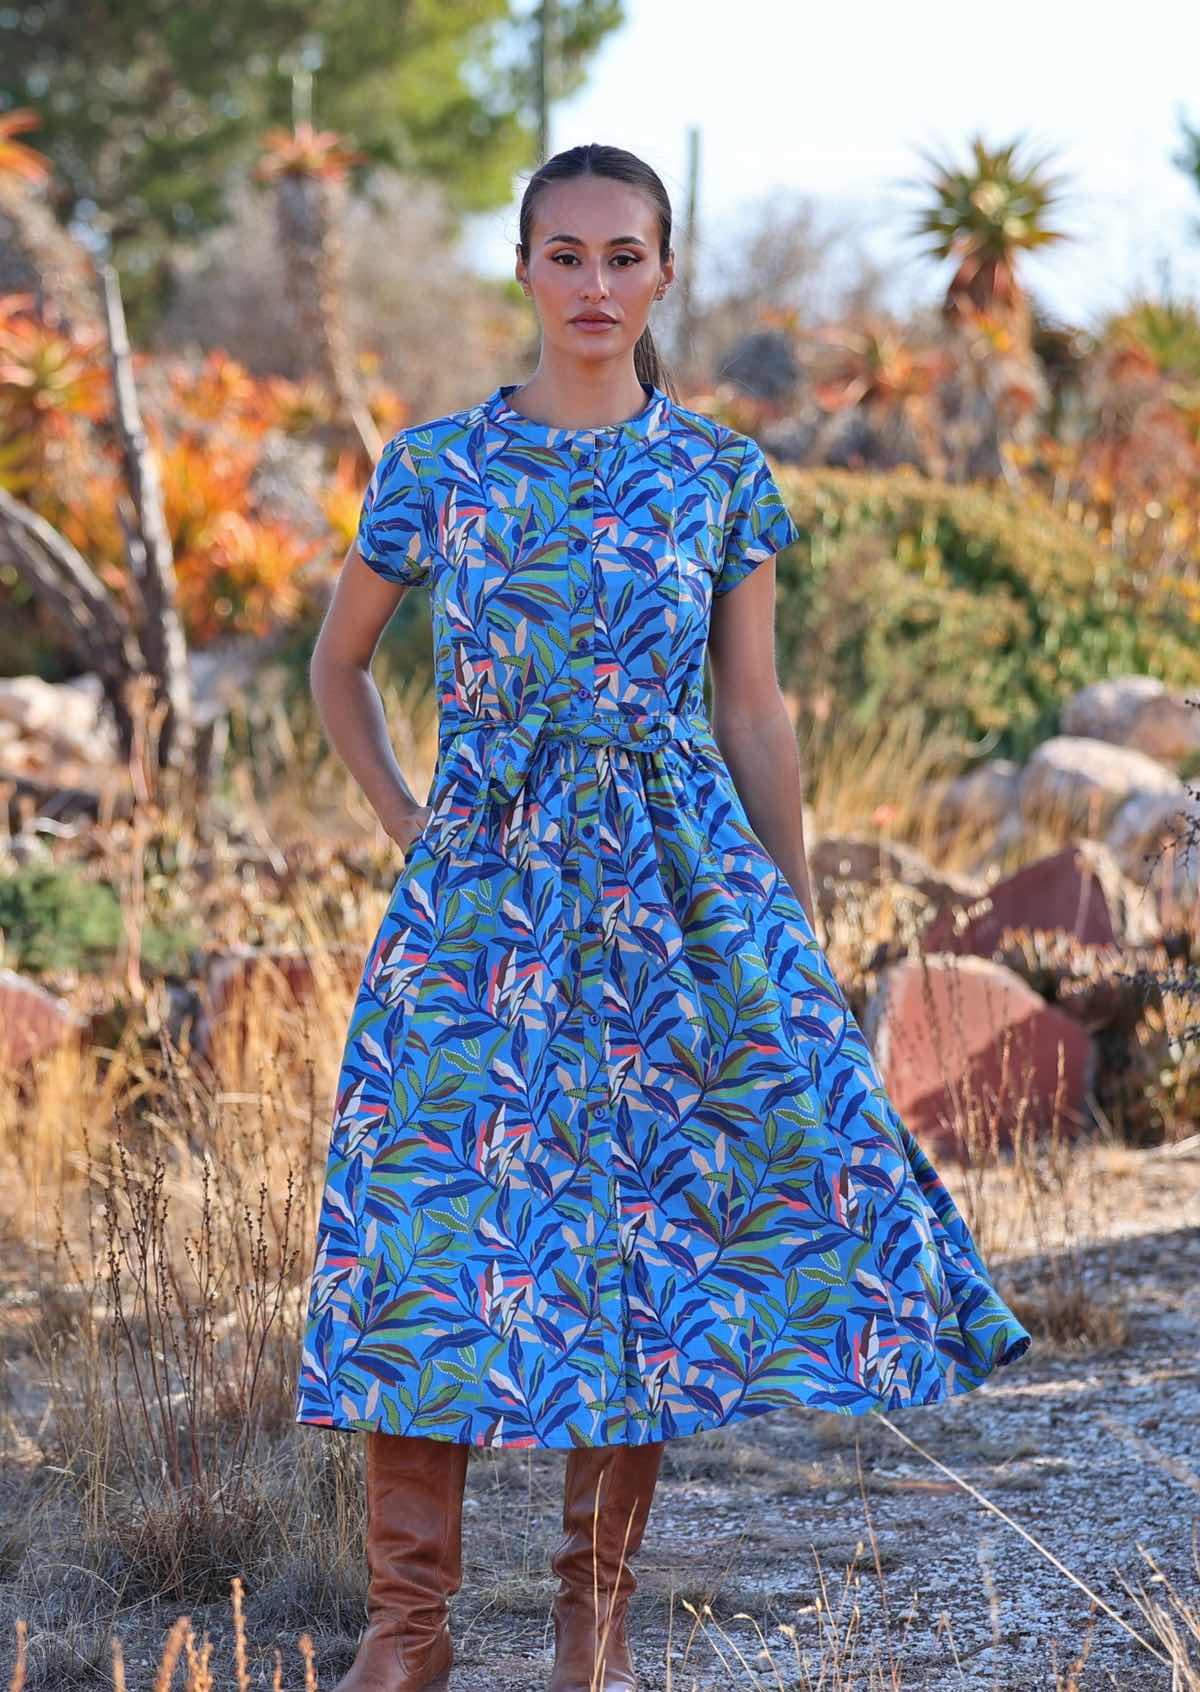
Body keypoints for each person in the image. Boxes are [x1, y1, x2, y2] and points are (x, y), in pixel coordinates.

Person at [295, 142, 1033, 1692]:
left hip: (670, 892)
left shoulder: (719, 476)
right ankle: (406, 1635)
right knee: (423, 1222)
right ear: (522, 268)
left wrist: (793, 915)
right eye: (565, 255)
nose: (594, 285)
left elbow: (755, 714)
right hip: (477, 901)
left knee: (637, 1244)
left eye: (623, 256)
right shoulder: (438, 466)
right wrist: (414, 824)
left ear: (665, 274)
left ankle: (594, 1624)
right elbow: (338, 665)